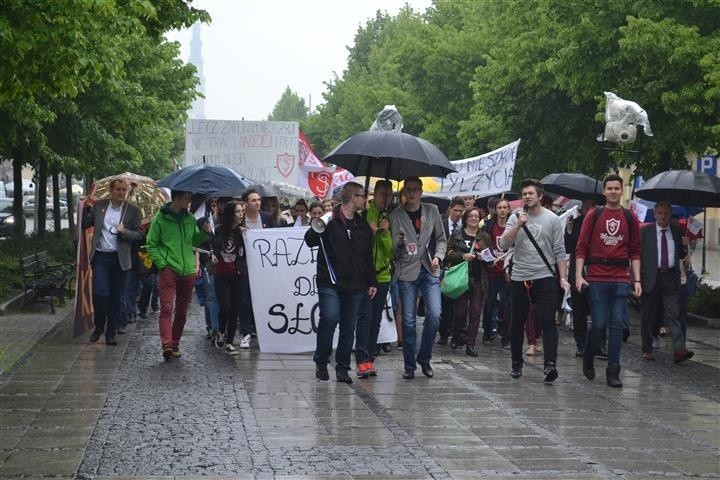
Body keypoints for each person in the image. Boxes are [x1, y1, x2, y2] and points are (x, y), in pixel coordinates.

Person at [304, 182, 377, 384]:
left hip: (355, 284)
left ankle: (342, 368)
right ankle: (321, 360)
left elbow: (367, 256)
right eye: (364, 196)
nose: (366, 200)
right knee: (330, 317)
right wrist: (321, 221)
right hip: (330, 281)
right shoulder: (331, 220)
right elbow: (309, 240)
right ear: (354, 198)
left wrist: (371, 280)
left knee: (348, 327)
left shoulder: (362, 225)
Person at [500, 178, 569, 383]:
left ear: (540, 196)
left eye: (531, 193)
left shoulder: (552, 219)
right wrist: (519, 225)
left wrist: (563, 278)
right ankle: (516, 362)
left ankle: (550, 365)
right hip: (520, 276)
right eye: (524, 194)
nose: (527, 197)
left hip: (545, 276)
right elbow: (504, 244)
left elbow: (560, 251)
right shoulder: (515, 217)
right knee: (517, 320)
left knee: (548, 320)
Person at [575, 174, 641, 388]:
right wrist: (578, 275)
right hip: (596, 277)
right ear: (604, 191)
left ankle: (614, 370)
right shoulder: (594, 214)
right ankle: (589, 351)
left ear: (622, 191)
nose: (613, 191)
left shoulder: (630, 218)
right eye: (609, 188)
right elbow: (581, 246)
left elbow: (635, 251)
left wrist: (637, 279)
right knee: (599, 323)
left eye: (616, 188)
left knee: (616, 326)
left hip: (620, 278)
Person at [389, 177, 447, 380]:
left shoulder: (431, 210)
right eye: (408, 190)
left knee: (435, 314)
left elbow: (441, 239)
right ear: (404, 192)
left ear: (421, 192)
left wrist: (439, 256)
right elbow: (392, 251)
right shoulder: (395, 215)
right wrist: (398, 242)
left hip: (429, 268)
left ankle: (424, 357)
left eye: (415, 190)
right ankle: (409, 365)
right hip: (407, 270)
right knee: (408, 321)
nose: (412, 193)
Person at [145, 190, 210, 360]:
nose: (190, 200)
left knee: (181, 312)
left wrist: (203, 232)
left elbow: (194, 242)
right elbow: (151, 244)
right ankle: (166, 344)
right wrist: (163, 264)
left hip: (187, 271)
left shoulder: (189, 218)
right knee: (166, 308)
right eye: (187, 197)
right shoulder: (161, 218)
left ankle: (175, 344)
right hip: (169, 270)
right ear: (177, 197)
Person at [82, 179, 143, 346]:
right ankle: (99, 326)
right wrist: (84, 211)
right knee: (100, 293)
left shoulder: (132, 211)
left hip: (120, 259)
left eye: (124, 190)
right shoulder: (99, 206)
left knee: (117, 298)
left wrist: (125, 232)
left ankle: (111, 332)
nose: (121, 192)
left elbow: (139, 234)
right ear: (111, 190)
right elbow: (86, 224)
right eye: (118, 189)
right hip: (101, 257)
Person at [640, 201, 694, 364]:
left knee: (673, 313)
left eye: (666, 214)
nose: (663, 217)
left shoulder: (677, 232)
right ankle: (647, 348)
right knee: (650, 315)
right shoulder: (646, 232)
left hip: (670, 276)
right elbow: (638, 254)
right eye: (660, 213)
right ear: (655, 214)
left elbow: (680, 254)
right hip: (651, 276)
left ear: (670, 215)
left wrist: (685, 247)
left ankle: (679, 349)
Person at [355, 180, 394, 378]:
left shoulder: (390, 217)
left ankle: (370, 357)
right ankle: (361, 358)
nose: (385, 198)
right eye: (382, 194)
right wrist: (369, 233)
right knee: (365, 317)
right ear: (374, 195)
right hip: (364, 275)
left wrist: (386, 233)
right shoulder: (363, 214)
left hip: (383, 275)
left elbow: (390, 251)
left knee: (376, 319)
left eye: (389, 194)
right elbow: (359, 247)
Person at [445, 207, 491, 356]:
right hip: (461, 277)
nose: (473, 219)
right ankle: (457, 335)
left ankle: (470, 344)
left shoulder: (484, 237)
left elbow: (489, 258)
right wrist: (463, 256)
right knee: (460, 312)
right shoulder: (457, 234)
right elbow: (448, 253)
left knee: (476, 312)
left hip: (478, 279)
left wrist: (485, 258)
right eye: (470, 216)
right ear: (465, 218)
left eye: (476, 216)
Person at [238, 188, 276, 347]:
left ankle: (262, 329)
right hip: (245, 263)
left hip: (264, 264)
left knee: (264, 297)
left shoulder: (267, 218)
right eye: (253, 200)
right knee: (245, 298)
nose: (257, 203)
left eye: (259, 200)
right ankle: (246, 332)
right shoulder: (240, 221)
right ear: (246, 203)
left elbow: (275, 238)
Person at [211, 201, 248, 355]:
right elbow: (209, 246)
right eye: (238, 211)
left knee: (234, 309)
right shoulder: (219, 230)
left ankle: (229, 342)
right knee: (225, 306)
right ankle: (220, 330)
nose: (241, 214)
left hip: (238, 275)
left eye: (242, 211)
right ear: (230, 214)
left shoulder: (243, 233)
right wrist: (211, 255)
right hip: (221, 275)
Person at [564, 198, 594, 356]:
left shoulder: (600, 222)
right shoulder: (575, 223)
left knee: (597, 311)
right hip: (578, 271)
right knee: (579, 312)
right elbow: (568, 247)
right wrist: (569, 231)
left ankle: (598, 343)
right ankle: (581, 343)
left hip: (596, 272)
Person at [481, 197, 511, 346]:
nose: (502, 210)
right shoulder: (488, 226)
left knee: (507, 304)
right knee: (489, 302)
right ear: (495, 210)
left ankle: (506, 335)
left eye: (505, 207)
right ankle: (487, 331)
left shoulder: (513, 226)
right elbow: (482, 243)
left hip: (507, 271)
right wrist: (488, 260)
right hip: (492, 270)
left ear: (508, 210)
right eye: (499, 208)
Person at [438, 197, 465, 345]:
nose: (458, 214)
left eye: (461, 211)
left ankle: (458, 333)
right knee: (444, 303)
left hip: (458, 268)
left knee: (459, 304)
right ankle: (444, 332)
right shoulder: (441, 224)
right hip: (442, 266)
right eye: (456, 210)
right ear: (450, 209)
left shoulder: (465, 227)